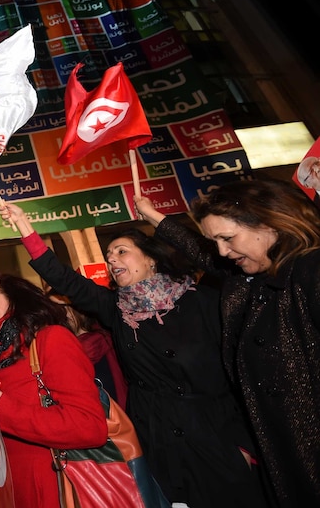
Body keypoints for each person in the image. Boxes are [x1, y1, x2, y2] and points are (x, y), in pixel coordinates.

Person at [0, 202, 268, 508]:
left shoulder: (204, 301)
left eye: (121, 251)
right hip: (157, 440)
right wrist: (23, 225)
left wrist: (243, 444)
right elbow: (65, 279)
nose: (111, 259)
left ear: (151, 259)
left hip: (215, 436)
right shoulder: (116, 308)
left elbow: (243, 370)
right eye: (109, 255)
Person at [136, 177, 320, 507]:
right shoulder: (248, 277)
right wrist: (154, 217)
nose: (221, 251)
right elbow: (201, 253)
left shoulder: (311, 272)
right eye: (214, 240)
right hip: (281, 452)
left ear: (268, 223)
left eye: (227, 238)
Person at [0, 273, 107, 507]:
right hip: (11, 482)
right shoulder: (0, 353)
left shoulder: (51, 339)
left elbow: (89, 425)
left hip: (50, 481)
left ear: (16, 300)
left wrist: (5, 410)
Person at [47, 291, 128, 409]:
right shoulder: (55, 354)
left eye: (62, 307)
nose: (58, 314)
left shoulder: (111, 339)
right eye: (52, 310)